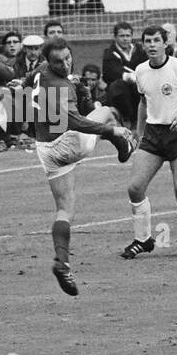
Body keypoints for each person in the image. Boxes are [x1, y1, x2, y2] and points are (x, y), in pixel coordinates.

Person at [25, 37, 136, 295]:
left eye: (67, 58)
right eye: (58, 61)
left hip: (46, 150)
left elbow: (29, 79)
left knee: (65, 210)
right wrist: (113, 130)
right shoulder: (61, 87)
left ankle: (62, 262)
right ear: (48, 62)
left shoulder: (40, 71)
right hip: (69, 142)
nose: (65, 64)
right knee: (108, 112)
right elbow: (75, 121)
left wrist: (19, 83)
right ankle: (122, 146)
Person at [121, 26, 177, 261]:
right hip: (153, 134)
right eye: (147, 41)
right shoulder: (141, 70)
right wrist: (138, 133)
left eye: (156, 40)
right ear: (143, 45)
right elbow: (143, 102)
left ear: (165, 43)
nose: (151, 45)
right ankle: (143, 239)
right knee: (135, 187)